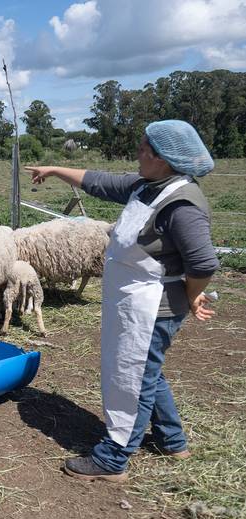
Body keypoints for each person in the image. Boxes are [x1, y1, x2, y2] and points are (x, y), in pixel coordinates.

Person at [24, 120, 219, 482]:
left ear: (163, 158)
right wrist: (54, 170)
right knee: (147, 370)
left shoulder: (182, 205)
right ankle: (172, 441)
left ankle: (113, 458)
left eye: (144, 148)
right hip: (134, 300)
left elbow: (204, 262)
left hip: (153, 307)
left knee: (133, 376)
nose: (138, 153)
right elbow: (99, 181)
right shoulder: (148, 186)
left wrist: (192, 296)